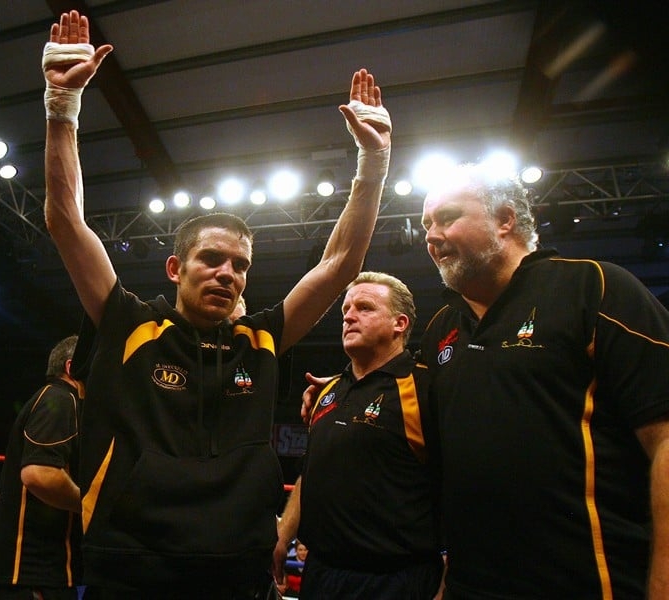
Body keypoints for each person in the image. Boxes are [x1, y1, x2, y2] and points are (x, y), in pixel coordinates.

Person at [41, 9, 391, 597]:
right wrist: (61, 108)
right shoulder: (128, 320)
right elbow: (65, 220)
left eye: (241, 265)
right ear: (175, 268)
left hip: (239, 568)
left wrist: (373, 164)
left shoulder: (261, 338)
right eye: (212, 259)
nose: (228, 273)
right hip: (131, 568)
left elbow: (339, 265)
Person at [303, 163, 669, 598]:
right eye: (426, 224)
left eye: (447, 217)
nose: (431, 236)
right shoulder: (443, 327)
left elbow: (664, 439)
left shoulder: (594, 287)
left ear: (505, 219)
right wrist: (344, 386)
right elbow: (402, 385)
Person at [274, 272, 443, 599]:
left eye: (364, 308)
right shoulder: (328, 392)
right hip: (321, 575)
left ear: (399, 324)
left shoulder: (426, 389)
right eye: (346, 310)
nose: (349, 316)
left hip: (395, 581)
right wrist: (283, 535)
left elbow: (461, 485)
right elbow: (312, 471)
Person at [0, 335, 85, 600]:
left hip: (41, 568)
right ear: (72, 367)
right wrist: (90, 505)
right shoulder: (59, 399)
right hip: (32, 570)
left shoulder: (60, 400)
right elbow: (39, 474)